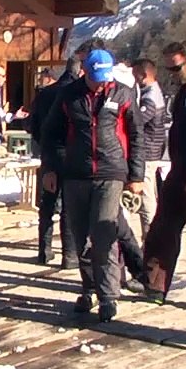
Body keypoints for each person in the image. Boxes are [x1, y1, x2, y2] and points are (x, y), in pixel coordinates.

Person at [41, 48, 142, 322]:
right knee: (80, 234)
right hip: (76, 173)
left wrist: (136, 176)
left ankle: (109, 295)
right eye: (96, 77)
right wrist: (50, 168)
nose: (101, 83)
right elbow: (51, 135)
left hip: (111, 172)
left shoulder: (122, 94)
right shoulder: (68, 95)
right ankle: (89, 289)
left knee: (104, 230)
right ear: (85, 71)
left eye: (105, 77)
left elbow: (136, 135)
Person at [142, 40, 186, 310]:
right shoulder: (185, 90)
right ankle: (154, 285)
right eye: (168, 68)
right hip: (178, 169)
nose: (173, 73)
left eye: (176, 68)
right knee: (162, 228)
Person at [28, 57, 81, 266]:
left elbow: (32, 125)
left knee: (47, 203)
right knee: (68, 205)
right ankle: (69, 254)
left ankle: (44, 249)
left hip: (49, 153)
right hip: (72, 155)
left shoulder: (46, 93)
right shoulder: (76, 94)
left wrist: (44, 146)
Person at [133, 58, 169, 238]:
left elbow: (139, 120)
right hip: (153, 148)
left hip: (147, 151)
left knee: (146, 198)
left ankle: (150, 238)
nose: (134, 78)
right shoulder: (154, 92)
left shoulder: (150, 97)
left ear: (143, 74)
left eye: (135, 74)